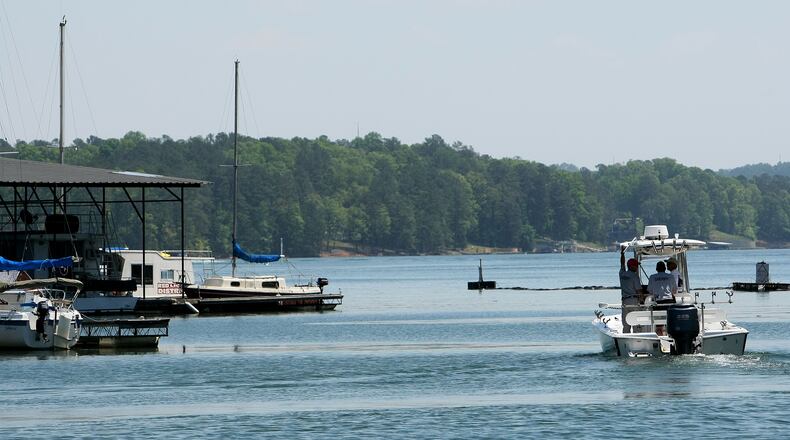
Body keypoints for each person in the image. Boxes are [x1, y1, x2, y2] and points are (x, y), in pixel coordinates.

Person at [648, 261, 677, 336]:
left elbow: (650, 290)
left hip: (658, 302)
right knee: (670, 322)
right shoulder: (670, 276)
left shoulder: (652, 277)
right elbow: (674, 290)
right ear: (665, 268)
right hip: (669, 301)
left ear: (656, 269)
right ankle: (670, 337)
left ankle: (660, 338)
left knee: (658, 324)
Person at [619, 247, 642, 333]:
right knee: (636, 323)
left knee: (626, 324)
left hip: (625, 301)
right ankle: (637, 337)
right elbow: (639, 290)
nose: (637, 267)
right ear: (632, 266)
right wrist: (642, 299)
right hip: (633, 300)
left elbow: (622, 264)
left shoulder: (622, 274)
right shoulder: (634, 276)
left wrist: (622, 253)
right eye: (636, 265)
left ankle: (626, 337)